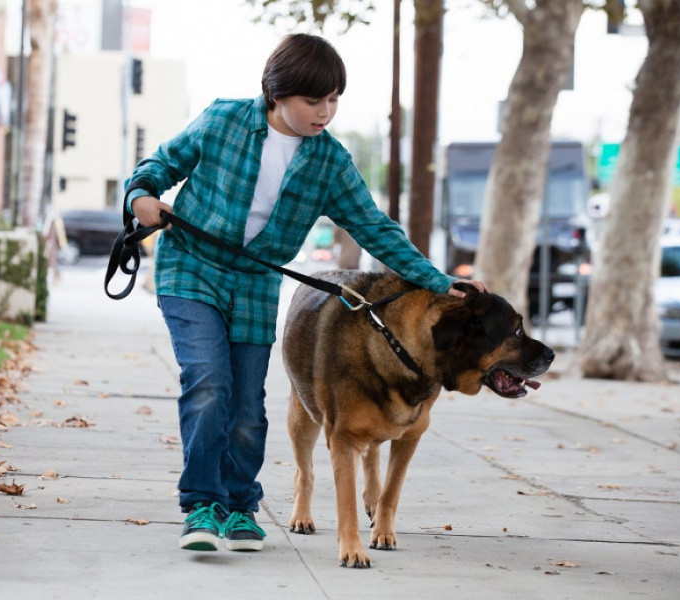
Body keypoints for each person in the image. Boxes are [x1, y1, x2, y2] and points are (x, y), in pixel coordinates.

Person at [124, 33, 487, 553]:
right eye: (314, 100)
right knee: (208, 383)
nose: (326, 111)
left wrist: (439, 280)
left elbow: (375, 229)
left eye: (334, 99)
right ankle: (203, 504)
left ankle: (240, 508)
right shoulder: (223, 120)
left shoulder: (329, 162)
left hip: (254, 283)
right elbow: (159, 164)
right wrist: (142, 195)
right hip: (192, 268)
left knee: (248, 406)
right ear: (277, 93)